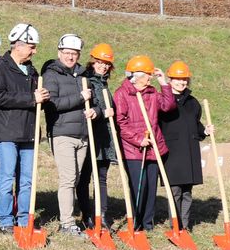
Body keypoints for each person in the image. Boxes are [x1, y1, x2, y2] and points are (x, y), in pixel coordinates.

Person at [0, 23, 49, 234]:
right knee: (6, 178)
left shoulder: (32, 71)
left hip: (28, 132)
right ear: (18, 46)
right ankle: (5, 220)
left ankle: (24, 219)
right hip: (6, 132)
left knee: (27, 179)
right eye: (32, 47)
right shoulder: (0, 67)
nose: (34, 51)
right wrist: (31, 98)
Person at [40, 33, 96, 238]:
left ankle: (69, 218)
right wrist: (80, 97)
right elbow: (52, 104)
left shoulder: (83, 76)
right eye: (67, 53)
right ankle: (67, 223)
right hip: (62, 133)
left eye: (74, 53)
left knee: (76, 178)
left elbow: (94, 101)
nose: (71, 57)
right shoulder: (51, 75)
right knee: (68, 178)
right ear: (59, 52)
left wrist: (94, 110)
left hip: (82, 135)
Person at [113, 56, 175, 231]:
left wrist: (164, 83)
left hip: (153, 147)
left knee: (151, 186)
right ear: (138, 76)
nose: (150, 78)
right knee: (139, 186)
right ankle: (136, 222)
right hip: (133, 149)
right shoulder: (122, 93)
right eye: (148, 74)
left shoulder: (152, 92)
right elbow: (121, 123)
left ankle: (148, 223)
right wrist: (138, 139)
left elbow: (168, 107)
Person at [158, 60, 208, 230]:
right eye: (178, 79)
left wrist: (205, 131)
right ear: (170, 79)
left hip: (190, 151)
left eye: (185, 79)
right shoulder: (163, 100)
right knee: (175, 191)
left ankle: (184, 226)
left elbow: (195, 124)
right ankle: (175, 226)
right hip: (172, 153)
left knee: (187, 192)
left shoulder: (193, 102)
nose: (182, 82)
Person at [77, 43, 116, 225]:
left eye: (107, 63)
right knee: (84, 178)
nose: (103, 66)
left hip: (105, 139)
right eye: (100, 62)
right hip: (89, 136)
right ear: (92, 61)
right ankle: (87, 215)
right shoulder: (85, 80)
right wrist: (102, 112)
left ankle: (102, 214)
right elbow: (87, 109)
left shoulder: (104, 83)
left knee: (101, 178)